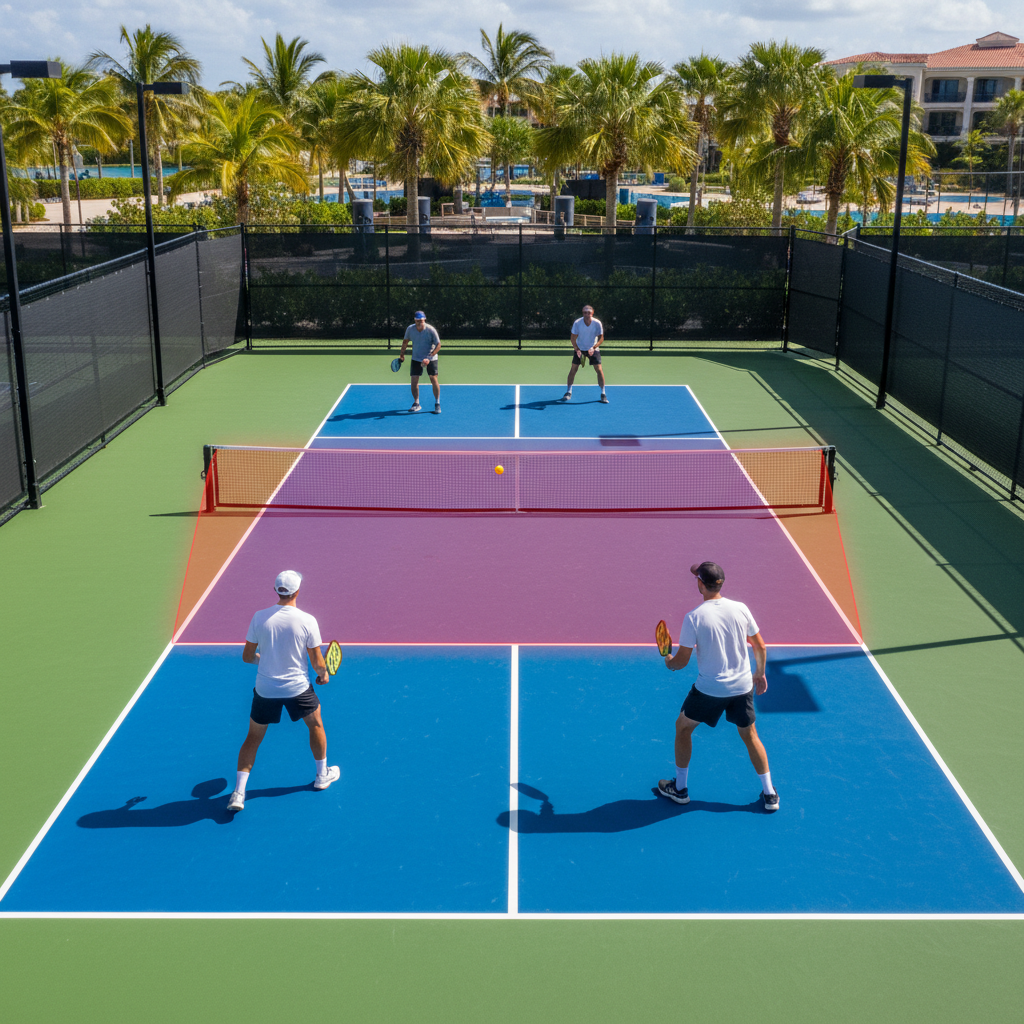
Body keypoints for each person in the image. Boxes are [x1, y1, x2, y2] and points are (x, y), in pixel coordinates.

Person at [656, 561, 779, 812]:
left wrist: (668, 661)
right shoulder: (741, 609)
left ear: (701, 584)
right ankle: (770, 794)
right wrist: (759, 674)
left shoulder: (694, 617)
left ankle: (680, 789)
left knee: (683, 728)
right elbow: (760, 646)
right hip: (742, 686)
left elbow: (680, 662)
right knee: (750, 735)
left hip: (710, 690)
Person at [226, 570, 340, 813]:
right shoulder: (308, 620)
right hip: (298, 688)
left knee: (253, 738)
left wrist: (267, 660)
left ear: (276, 590)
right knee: (316, 725)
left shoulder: (259, 617)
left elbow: (248, 657)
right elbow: (318, 662)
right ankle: (322, 776)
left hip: (265, 690)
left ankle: (238, 793)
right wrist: (323, 674)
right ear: (298, 591)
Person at [398, 310, 442, 414]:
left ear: (424, 320)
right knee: (414, 380)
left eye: (422, 320)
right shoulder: (410, 329)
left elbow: (438, 345)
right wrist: (402, 354)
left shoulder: (431, 330)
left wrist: (430, 356)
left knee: (433, 378)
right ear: (415, 320)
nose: (420, 322)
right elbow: (405, 342)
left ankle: (437, 403)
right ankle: (416, 403)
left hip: (431, 357)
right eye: (418, 320)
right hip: (416, 358)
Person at [562, 304, 608, 403]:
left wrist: (594, 348)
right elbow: (573, 338)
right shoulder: (577, 323)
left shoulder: (597, 323)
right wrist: (577, 350)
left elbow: (601, 338)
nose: (587, 314)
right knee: (573, 369)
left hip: (593, 348)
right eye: (584, 312)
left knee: (599, 369)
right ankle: (568, 392)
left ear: (592, 313)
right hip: (580, 348)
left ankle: (603, 393)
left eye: (589, 312)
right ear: (583, 313)